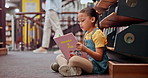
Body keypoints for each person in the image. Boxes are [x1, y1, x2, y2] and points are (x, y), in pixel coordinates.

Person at [51, 7, 108, 76]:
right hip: (87, 60)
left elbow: (99, 57)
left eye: (82, 21)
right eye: (79, 21)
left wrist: (85, 50)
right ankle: (66, 67)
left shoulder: (98, 34)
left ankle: (65, 66)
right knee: (60, 56)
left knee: (73, 59)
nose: (80, 24)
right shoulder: (87, 33)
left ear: (92, 19)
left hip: (96, 65)